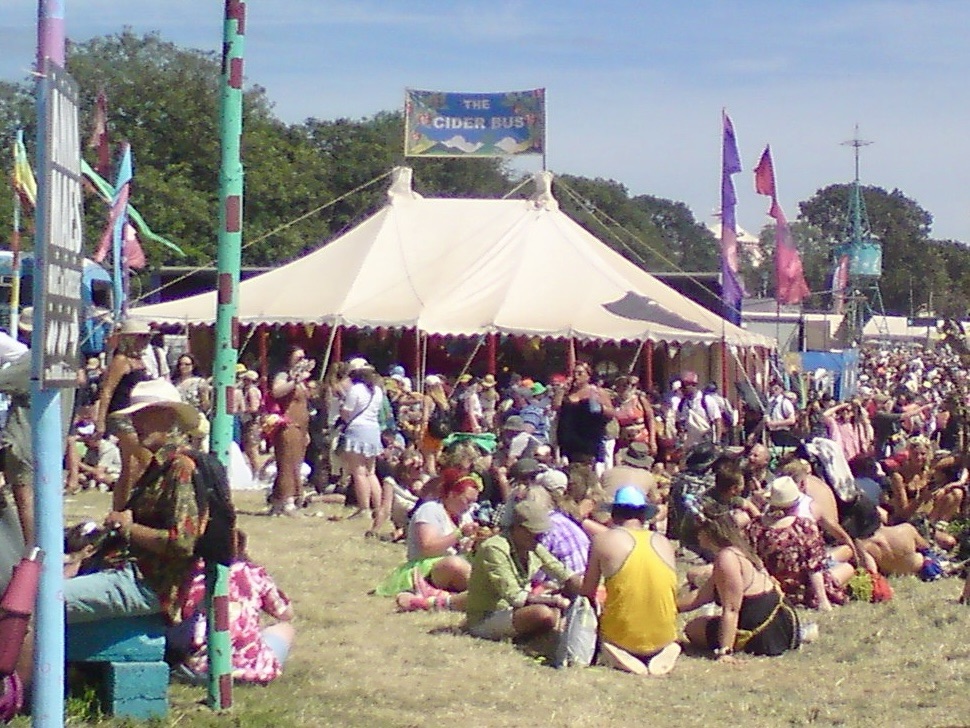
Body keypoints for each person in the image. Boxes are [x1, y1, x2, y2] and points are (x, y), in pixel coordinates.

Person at [63, 379, 206, 625]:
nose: (136, 423)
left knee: (40, 601)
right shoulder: (158, 465)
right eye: (134, 417)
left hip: (150, 583)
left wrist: (128, 527)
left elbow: (183, 543)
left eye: (144, 415)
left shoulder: (180, 467)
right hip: (129, 573)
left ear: (168, 416)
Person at [172, 530, 295, 685]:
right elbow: (285, 614)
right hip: (249, 668)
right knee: (285, 628)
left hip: (198, 666)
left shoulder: (189, 574)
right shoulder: (253, 572)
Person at [581, 487, 681, 676]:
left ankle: (616, 651)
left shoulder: (602, 540)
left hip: (621, 637)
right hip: (664, 635)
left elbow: (587, 593)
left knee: (605, 627)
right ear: (643, 515)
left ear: (613, 514)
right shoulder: (664, 542)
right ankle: (663, 649)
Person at [680, 508, 801, 659]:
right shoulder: (739, 549)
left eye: (698, 531)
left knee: (693, 629)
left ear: (709, 532)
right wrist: (665, 606)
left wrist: (725, 651)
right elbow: (700, 597)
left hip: (762, 629)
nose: (696, 536)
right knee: (697, 625)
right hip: (785, 622)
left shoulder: (727, 557)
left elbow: (731, 609)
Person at [465, 500, 581, 641]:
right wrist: (555, 601)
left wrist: (580, 591)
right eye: (535, 533)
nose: (539, 538)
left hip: (516, 610)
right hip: (487, 617)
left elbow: (564, 573)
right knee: (543, 614)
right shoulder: (494, 548)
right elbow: (515, 597)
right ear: (518, 528)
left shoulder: (533, 546)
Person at [378, 469, 478, 610]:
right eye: (467, 501)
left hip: (452, 567)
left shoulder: (464, 516)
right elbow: (427, 548)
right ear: (452, 494)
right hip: (427, 568)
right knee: (454, 564)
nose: (470, 506)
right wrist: (459, 534)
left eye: (473, 502)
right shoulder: (430, 510)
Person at [747, 476, 852, 611]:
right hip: (802, 590)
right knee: (847, 568)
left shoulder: (756, 527)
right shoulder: (803, 526)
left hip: (772, 588)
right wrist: (823, 601)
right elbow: (814, 567)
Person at [95, 318, 156, 511]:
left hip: (136, 415)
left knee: (130, 466)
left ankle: (121, 508)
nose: (145, 341)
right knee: (143, 459)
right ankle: (129, 505)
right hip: (120, 414)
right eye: (141, 337)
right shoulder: (121, 360)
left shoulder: (139, 360)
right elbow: (107, 390)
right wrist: (100, 421)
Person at [339, 358, 387, 533]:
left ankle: (364, 508)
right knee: (371, 471)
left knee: (359, 471)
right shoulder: (377, 390)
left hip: (357, 429)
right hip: (373, 429)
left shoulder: (356, 389)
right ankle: (379, 507)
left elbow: (346, 411)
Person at [268, 346, 313, 516]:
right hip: (288, 425)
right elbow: (276, 392)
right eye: (298, 358)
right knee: (287, 463)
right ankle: (287, 501)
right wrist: (294, 380)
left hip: (301, 427)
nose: (302, 361)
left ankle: (282, 500)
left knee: (296, 463)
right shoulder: (283, 375)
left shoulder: (302, 380)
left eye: (304, 357)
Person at [553, 361, 613, 466]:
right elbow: (556, 407)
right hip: (569, 438)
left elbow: (610, 413)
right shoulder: (568, 392)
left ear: (588, 376)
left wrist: (599, 407)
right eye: (574, 373)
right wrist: (562, 390)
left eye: (580, 373)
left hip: (589, 438)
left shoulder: (597, 392)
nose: (576, 376)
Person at [64, 420, 122, 494]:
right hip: (95, 474)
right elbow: (88, 467)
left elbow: (98, 471)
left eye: (84, 436)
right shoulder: (91, 448)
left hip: (114, 475)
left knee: (100, 476)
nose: (82, 439)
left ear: (94, 436)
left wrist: (76, 463)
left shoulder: (108, 448)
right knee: (80, 477)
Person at [420, 375, 452, 476]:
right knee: (437, 456)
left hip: (429, 431)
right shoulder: (443, 400)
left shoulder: (428, 398)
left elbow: (425, 417)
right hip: (440, 432)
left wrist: (421, 433)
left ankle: (433, 478)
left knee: (429, 458)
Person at [765, 382, 798, 448]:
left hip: (783, 432)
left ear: (781, 389)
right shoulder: (770, 402)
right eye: (771, 388)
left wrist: (775, 423)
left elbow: (792, 420)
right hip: (772, 433)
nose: (773, 390)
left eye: (776, 388)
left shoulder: (785, 402)